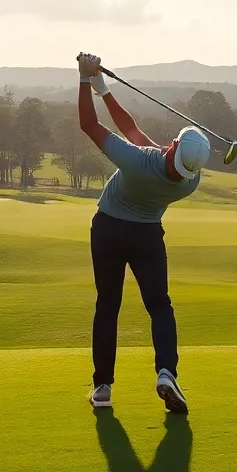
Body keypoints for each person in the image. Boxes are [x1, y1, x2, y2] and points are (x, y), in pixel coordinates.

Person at [74, 52, 211, 414]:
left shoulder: (137, 161)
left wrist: (85, 80)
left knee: (108, 305)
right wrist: (105, 90)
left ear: (174, 147)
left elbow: (90, 125)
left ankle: (103, 388)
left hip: (109, 230)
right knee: (159, 305)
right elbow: (134, 132)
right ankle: (166, 372)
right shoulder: (189, 182)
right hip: (147, 237)